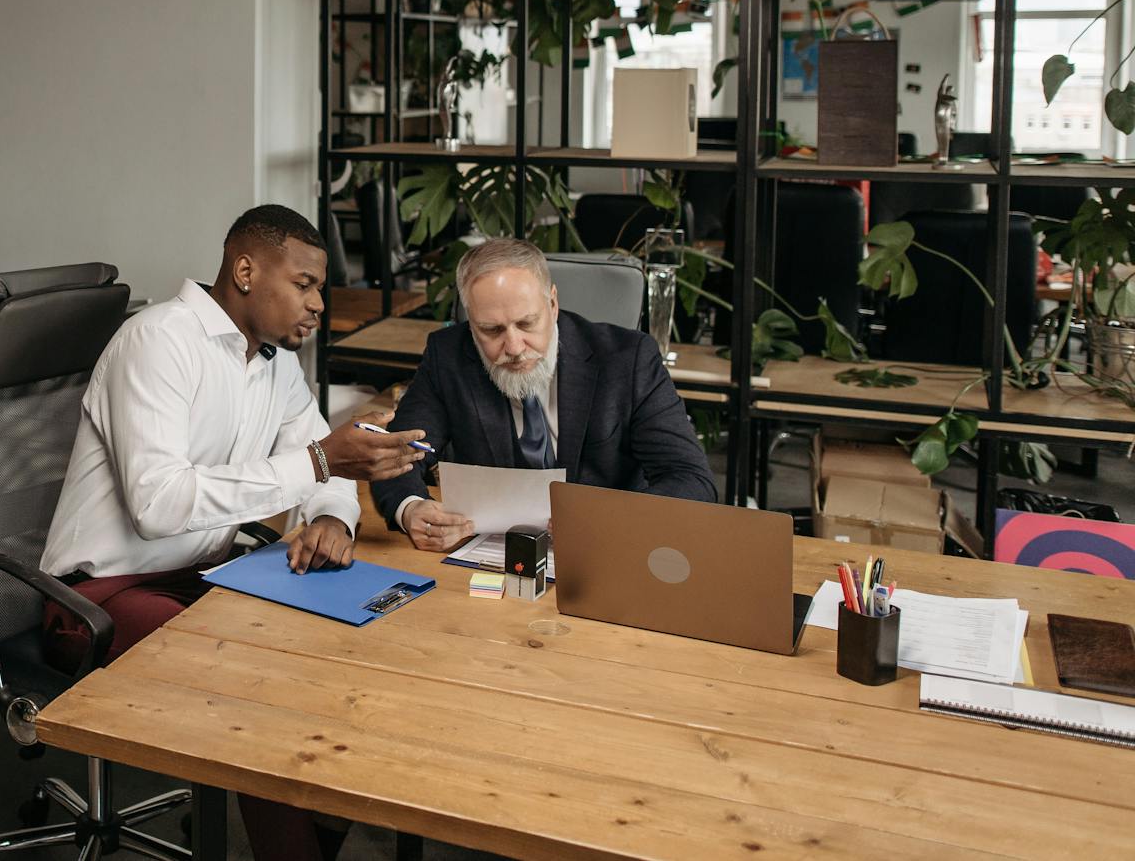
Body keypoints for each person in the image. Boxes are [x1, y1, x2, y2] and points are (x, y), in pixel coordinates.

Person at [38, 204, 424, 861]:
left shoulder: (272, 364)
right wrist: (321, 463)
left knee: (353, 653)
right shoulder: (159, 341)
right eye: (303, 284)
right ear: (245, 270)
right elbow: (158, 505)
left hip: (201, 580)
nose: (318, 305)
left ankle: (315, 839)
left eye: (320, 289)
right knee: (258, 686)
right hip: (96, 595)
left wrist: (332, 512)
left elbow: (323, 460)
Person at [371, 237, 716, 554]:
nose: (514, 347)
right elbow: (398, 454)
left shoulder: (628, 359)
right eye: (491, 330)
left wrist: (612, 520)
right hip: (492, 556)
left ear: (552, 304)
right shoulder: (448, 355)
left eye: (526, 324)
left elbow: (690, 479)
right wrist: (410, 508)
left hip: (608, 553)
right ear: (470, 321)